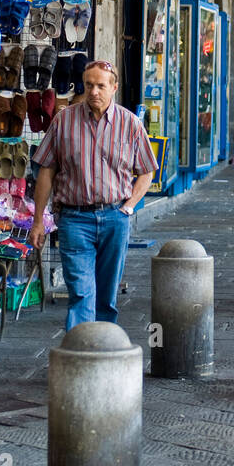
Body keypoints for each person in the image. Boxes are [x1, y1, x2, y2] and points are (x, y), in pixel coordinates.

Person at [29, 60, 157, 330]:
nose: (94, 91)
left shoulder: (130, 124)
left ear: (114, 87)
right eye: (89, 85)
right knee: (81, 292)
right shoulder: (64, 120)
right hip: (75, 218)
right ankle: (81, 353)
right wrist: (38, 220)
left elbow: (146, 171)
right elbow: (46, 171)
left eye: (101, 85)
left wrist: (130, 205)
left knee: (106, 295)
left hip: (115, 217)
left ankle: (103, 351)